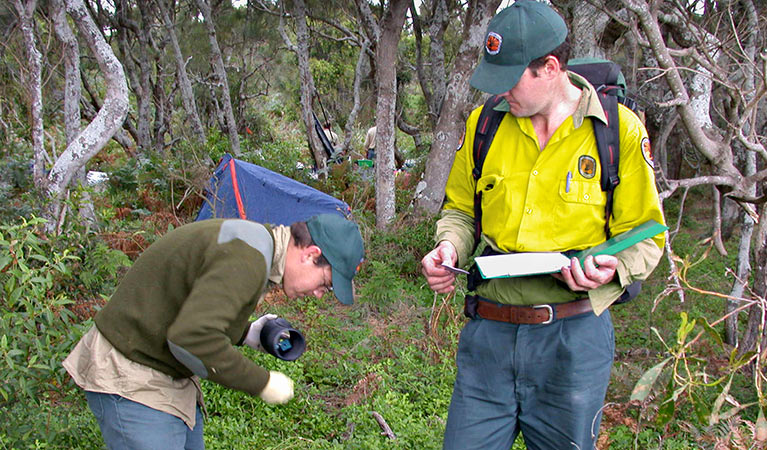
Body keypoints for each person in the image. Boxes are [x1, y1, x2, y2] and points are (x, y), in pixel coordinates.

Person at [420, 2, 665, 449]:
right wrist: (449, 247)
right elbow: (460, 210)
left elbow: (647, 233)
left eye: (511, 78)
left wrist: (611, 270)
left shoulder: (618, 132)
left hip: (572, 343)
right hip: (488, 338)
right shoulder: (485, 124)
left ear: (550, 68)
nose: (501, 92)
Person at [64, 214, 364, 449]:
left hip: (168, 377)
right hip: (131, 375)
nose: (319, 294)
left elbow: (195, 306)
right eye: (324, 284)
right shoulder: (247, 257)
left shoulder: (259, 244)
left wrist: (247, 333)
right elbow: (190, 339)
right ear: (310, 254)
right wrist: (262, 382)